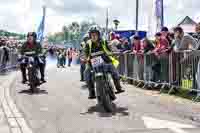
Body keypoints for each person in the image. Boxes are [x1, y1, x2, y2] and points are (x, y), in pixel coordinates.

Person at [84, 26, 125, 99]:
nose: (93, 36)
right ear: (90, 35)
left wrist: (114, 52)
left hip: (105, 61)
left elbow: (109, 49)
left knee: (114, 71)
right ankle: (92, 92)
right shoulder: (88, 44)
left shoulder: (103, 41)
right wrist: (85, 58)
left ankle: (118, 87)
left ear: (98, 35)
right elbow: (85, 53)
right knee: (86, 74)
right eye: (92, 34)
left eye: (95, 34)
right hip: (93, 63)